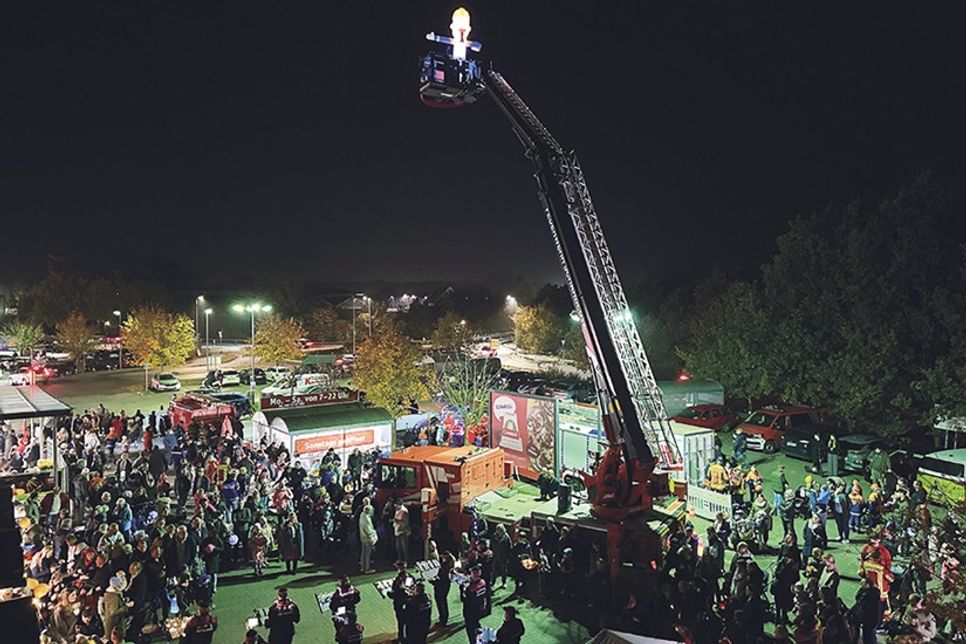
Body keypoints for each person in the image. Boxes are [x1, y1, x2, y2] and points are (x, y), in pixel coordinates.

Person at [389, 560, 414, 643]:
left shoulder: (398, 579)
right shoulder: (410, 576)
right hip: (409, 603)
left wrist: (390, 594)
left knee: (401, 622)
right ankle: (407, 637)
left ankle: (401, 638)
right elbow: (410, 589)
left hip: (401, 603)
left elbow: (399, 592)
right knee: (408, 621)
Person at [460, 566, 487, 644]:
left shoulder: (479, 584)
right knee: (475, 626)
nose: (474, 576)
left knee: (471, 630)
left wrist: (464, 586)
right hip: (473, 609)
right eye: (473, 574)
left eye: (475, 574)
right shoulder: (481, 582)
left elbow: (469, 595)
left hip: (473, 610)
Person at [433, 550, 455, 627]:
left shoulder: (446, 567)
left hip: (441, 586)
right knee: (443, 601)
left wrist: (432, 581)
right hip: (445, 586)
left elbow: (440, 578)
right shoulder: (448, 565)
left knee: (441, 603)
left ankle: (443, 620)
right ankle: (444, 618)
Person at [359, 504, 377, 574]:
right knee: (367, 554)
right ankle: (367, 568)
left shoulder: (361, 516)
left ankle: (363, 567)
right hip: (367, 538)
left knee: (363, 553)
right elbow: (369, 530)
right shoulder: (367, 519)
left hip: (363, 537)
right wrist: (373, 537)